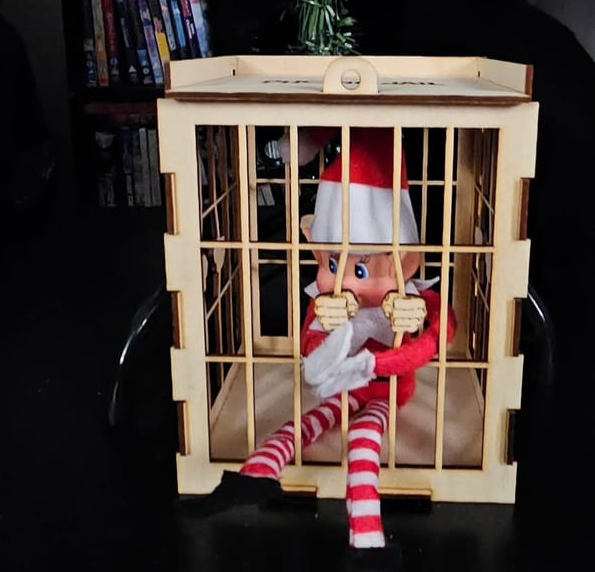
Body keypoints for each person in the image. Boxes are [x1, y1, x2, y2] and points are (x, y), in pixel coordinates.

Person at [184, 127, 456, 571]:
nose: (344, 281)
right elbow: (309, 342)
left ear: (406, 262)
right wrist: (324, 345)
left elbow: (435, 338)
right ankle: (254, 475)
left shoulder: (413, 297)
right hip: (342, 387)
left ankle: (367, 542)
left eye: (361, 269)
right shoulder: (325, 302)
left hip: (384, 389)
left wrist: (378, 359)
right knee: (303, 423)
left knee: (364, 440)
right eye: (333, 263)